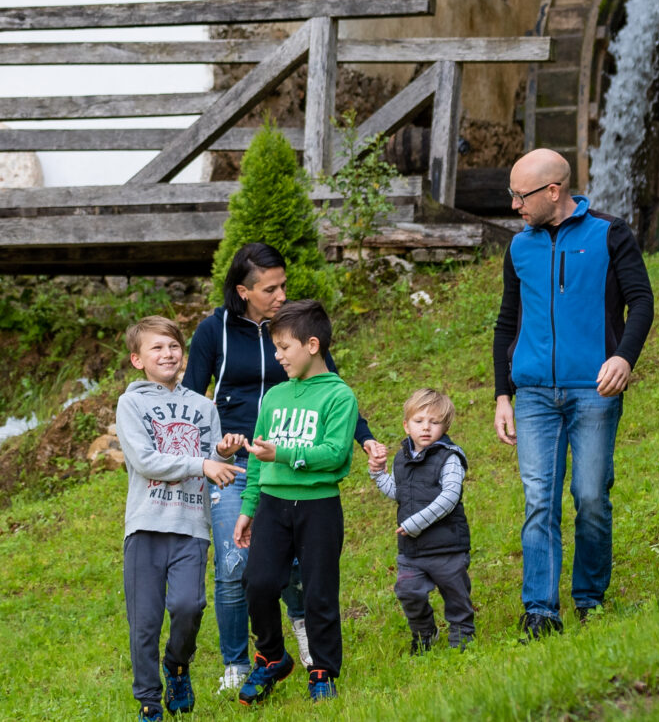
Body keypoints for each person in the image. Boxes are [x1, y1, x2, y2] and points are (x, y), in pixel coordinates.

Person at [187, 244, 387, 692]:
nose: (279, 294)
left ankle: (318, 660)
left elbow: (335, 403)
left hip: (305, 481)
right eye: (269, 288)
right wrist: (207, 455)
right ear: (244, 291)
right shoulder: (214, 332)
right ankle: (250, 660)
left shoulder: (304, 344)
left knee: (310, 581)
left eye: (283, 285)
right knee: (244, 572)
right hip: (239, 468)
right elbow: (189, 400)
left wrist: (365, 437)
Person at [491, 148, 655, 639]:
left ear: (553, 192)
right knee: (539, 501)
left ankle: (590, 599)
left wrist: (624, 357)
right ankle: (540, 610)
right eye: (512, 195)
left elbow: (641, 301)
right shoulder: (519, 247)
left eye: (521, 196)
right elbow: (506, 323)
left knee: (589, 496)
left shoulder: (610, 234)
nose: (515, 205)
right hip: (535, 394)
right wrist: (503, 395)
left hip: (594, 391)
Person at [225, 297, 356, 705]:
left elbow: (335, 454)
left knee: (319, 592)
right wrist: (248, 510)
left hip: (319, 508)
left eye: (284, 348)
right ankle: (273, 657)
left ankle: (323, 672)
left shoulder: (339, 396)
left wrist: (281, 454)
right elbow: (256, 459)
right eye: (277, 348)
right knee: (258, 583)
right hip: (272, 505)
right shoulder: (276, 397)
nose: (278, 356)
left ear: (312, 345)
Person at [116, 316, 237, 720]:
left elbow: (212, 462)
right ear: (137, 359)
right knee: (145, 623)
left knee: (189, 606)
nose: (167, 354)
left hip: (190, 525)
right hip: (146, 526)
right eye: (157, 348)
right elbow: (146, 461)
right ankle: (150, 701)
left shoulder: (204, 406)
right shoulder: (131, 403)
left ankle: (177, 665)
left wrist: (224, 452)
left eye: (173, 346)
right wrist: (203, 463)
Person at [371, 388, 474, 650]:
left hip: (447, 547)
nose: (426, 428)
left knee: (456, 596)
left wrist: (416, 523)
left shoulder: (449, 457)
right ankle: (425, 633)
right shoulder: (401, 458)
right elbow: (400, 493)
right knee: (408, 592)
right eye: (419, 421)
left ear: (445, 426)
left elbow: (450, 497)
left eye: (434, 422)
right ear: (406, 425)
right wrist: (379, 475)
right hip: (413, 551)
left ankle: (462, 637)